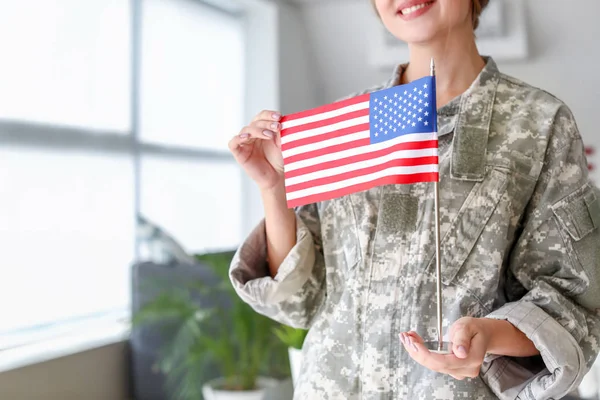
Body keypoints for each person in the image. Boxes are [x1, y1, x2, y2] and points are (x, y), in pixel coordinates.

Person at [227, 0, 600, 398]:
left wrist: (490, 336)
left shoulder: (539, 123)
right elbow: (300, 302)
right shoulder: (347, 126)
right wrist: (273, 188)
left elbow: (575, 300)